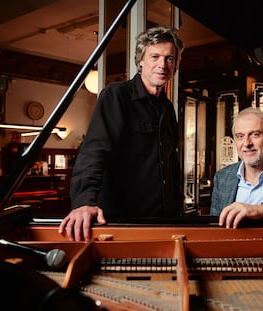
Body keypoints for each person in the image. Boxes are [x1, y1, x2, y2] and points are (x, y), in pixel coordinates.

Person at [58, 25, 185, 241]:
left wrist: (177, 206)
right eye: (155, 57)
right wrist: (85, 201)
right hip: (122, 222)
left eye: (169, 59)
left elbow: (170, 163)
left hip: (162, 222)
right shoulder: (117, 95)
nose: (162, 65)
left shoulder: (167, 108)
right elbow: (95, 151)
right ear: (141, 60)